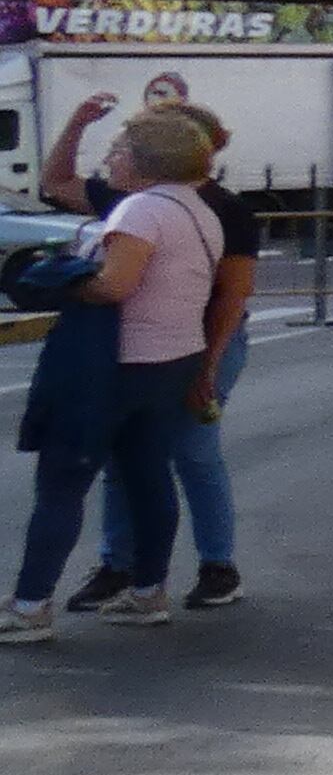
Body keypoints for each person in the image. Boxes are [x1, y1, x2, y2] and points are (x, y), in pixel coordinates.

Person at [3, 104, 231, 638]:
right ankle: (149, 592)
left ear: (145, 161)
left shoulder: (139, 211)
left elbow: (114, 286)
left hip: (116, 366)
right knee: (148, 477)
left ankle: (31, 603)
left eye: (119, 148)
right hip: (172, 359)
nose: (109, 157)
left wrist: (59, 278)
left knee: (63, 481)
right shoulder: (197, 209)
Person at [64, 107, 257, 617]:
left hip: (203, 341)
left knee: (193, 450)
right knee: (127, 459)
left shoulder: (222, 207)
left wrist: (209, 368)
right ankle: (122, 567)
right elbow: (57, 182)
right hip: (144, 348)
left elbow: (232, 295)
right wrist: (77, 123)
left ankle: (218, 564)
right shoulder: (136, 194)